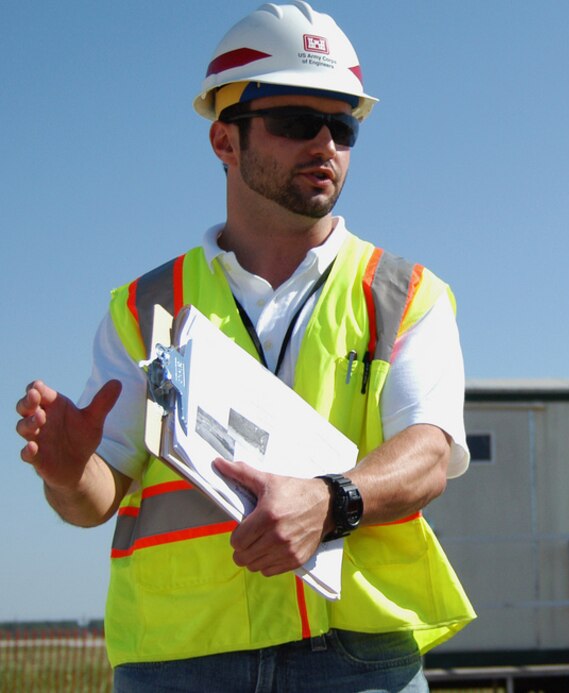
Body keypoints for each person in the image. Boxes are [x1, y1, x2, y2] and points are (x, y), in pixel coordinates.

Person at [14, 2, 474, 690]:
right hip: (180, 656)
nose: (325, 144)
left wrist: (331, 500)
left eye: (342, 125)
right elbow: (94, 498)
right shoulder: (144, 307)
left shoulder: (405, 294)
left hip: (354, 657)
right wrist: (67, 473)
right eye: (297, 122)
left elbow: (429, 455)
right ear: (224, 141)